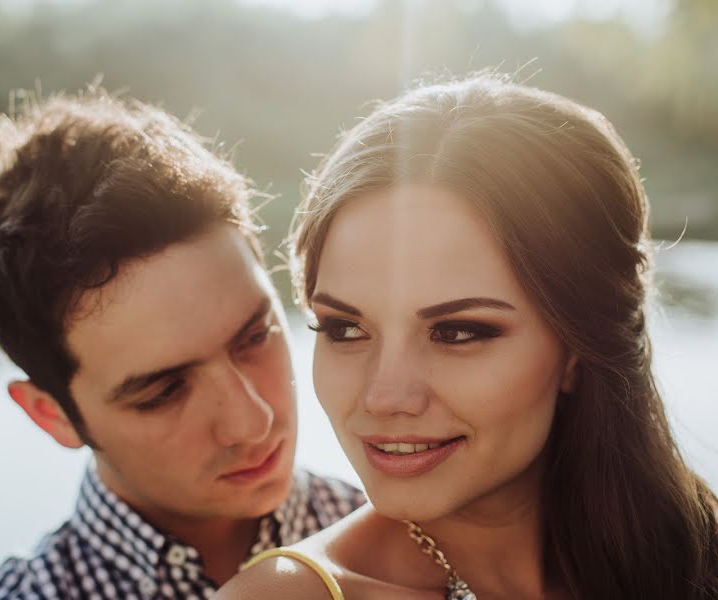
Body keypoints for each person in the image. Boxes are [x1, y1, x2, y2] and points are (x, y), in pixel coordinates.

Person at [216, 75, 718, 600]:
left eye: (455, 332)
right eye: (344, 329)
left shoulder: (693, 557)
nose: (384, 397)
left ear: (575, 348)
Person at [0, 88, 364, 600]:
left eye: (255, 336)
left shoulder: (417, 540)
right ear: (52, 415)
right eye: (165, 391)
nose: (252, 421)